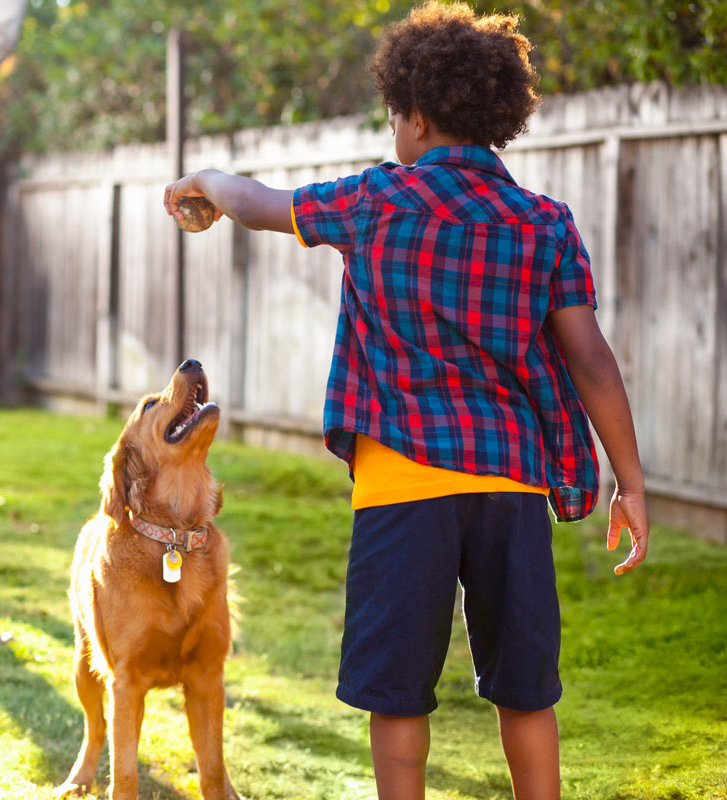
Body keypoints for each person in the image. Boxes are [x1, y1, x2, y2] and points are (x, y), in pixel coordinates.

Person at [162, 3, 650, 799]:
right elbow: (589, 356)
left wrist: (205, 184)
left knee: (396, 688)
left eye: (395, 118)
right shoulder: (543, 223)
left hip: (403, 485)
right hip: (509, 485)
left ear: (417, 119)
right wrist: (628, 482)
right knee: (526, 682)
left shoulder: (379, 200)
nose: (394, 133)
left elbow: (258, 205)